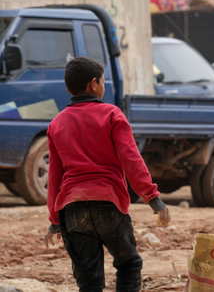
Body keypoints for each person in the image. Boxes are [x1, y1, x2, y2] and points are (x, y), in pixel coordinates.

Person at [44, 57, 171, 292]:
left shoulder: (56, 124)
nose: (103, 85)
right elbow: (131, 159)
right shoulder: (112, 115)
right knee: (129, 264)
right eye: (103, 81)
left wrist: (54, 221)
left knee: (89, 280)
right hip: (109, 203)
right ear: (94, 83)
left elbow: (54, 177)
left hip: (72, 208)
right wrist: (152, 198)